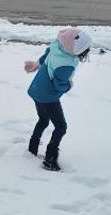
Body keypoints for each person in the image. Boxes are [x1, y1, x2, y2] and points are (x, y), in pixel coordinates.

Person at [24, 27, 92, 171]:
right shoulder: (66, 65)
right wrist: (69, 85)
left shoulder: (57, 47)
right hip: (48, 97)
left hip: (36, 90)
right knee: (61, 127)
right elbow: (59, 85)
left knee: (43, 120)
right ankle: (50, 159)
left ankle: (32, 149)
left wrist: (36, 65)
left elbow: (46, 55)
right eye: (85, 50)